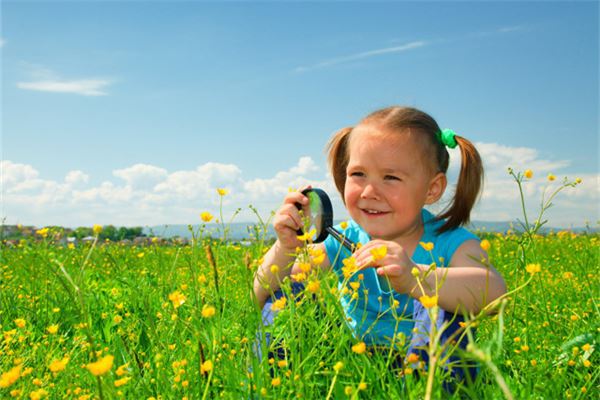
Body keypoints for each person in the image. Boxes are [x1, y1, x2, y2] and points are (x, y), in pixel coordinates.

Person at [253, 106, 507, 384]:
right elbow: (262, 294)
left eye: (391, 177)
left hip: (425, 366)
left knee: (442, 305)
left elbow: (495, 295)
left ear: (432, 189)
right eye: (358, 174)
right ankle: (271, 385)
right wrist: (286, 248)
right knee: (286, 295)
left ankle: (425, 388)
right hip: (350, 363)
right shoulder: (344, 238)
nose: (369, 192)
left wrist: (416, 277)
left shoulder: (450, 241)